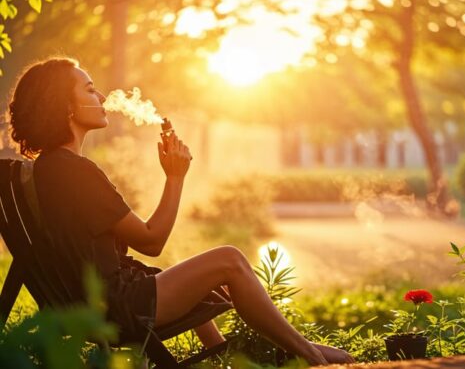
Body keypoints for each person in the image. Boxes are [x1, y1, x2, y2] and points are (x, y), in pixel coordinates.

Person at [7, 57, 355, 366]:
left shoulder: (45, 171)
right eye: (90, 90)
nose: (101, 98)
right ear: (66, 106)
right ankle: (310, 357)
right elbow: (152, 240)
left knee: (182, 275)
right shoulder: (76, 172)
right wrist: (175, 178)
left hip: (84, 304)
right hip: (117, 307)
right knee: (229, 260)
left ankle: (228, 353)